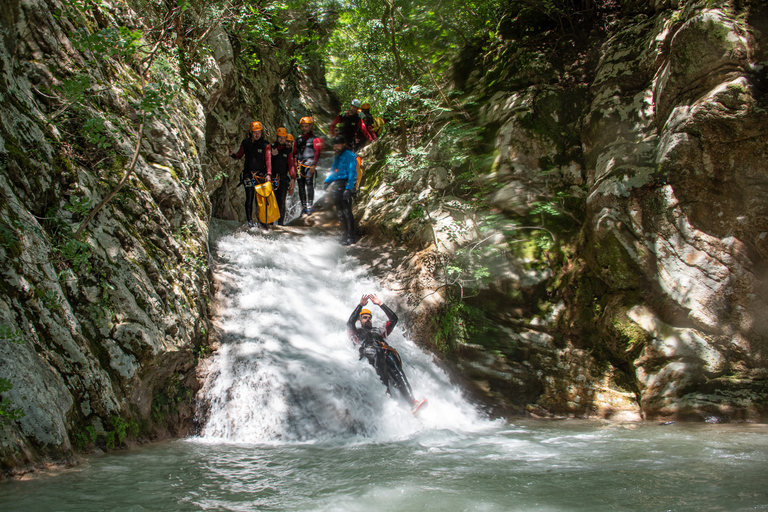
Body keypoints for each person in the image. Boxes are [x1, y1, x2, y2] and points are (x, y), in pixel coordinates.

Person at [347, 294, 426, 413]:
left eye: (369, 317)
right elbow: (349, 323)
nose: (368, 319)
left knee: (396, 369)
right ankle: (386, 391)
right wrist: (360, 306)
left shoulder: (379, 330)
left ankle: (412, 402)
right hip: (368, 351)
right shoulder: (356, 333)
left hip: (384, 351)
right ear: (360, 319)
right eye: (365, 317)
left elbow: (394, 319)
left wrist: (380, 304)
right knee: (378, 350)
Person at [230, 121, 272, 228]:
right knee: (249, 197)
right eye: (255, 132)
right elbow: (239, 155)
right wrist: (233, 155)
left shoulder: (265, 145)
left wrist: (268, 174)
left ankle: (262, 221)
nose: (257, 134)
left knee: (261, 199)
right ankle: (250, 222)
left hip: (260, 175)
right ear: (251, 132)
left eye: (258, 132)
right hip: (248, 174)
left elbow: (268, 160)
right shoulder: (246, 143)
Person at [323, 136, 359, 246]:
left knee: (347, 211)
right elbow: (334, 170)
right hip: (337, 185)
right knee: (339, 211)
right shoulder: (337, 156)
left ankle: (351, 237)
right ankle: (344, 235)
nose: (336, 147)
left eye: (338, 144)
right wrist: (327, 181)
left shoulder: (349, 155)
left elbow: (353, 173)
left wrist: (348, 188)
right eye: (334, 145)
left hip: (345, 184)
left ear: (344, 144)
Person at [295, 116, 323, 216]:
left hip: (309, 165)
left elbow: (317, 152)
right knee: (301, 186)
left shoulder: (314, 140)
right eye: (302, 126)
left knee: (309, 184)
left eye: (306, 126)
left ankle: (310, 206)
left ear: (310, 126)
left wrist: (314, 165)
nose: (304, 128)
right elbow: (294, 152)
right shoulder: (298, 139)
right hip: (299, 165)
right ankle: (304, 207)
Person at [270, 127, 296, 226]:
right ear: (277, 137)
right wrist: (272, 155)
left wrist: (293, 178)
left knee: (281, 201)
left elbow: (291, 165)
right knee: (272, 201)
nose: (282, 139)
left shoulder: (288, 151)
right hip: (272, 178)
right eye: (280, 137)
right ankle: (271, 223)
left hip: (283, 178)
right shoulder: (271, 147)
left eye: (283, 138)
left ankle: (280, 224)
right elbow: (265, 161)